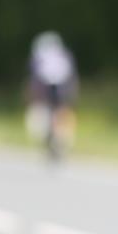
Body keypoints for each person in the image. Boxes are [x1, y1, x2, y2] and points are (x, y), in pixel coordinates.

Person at [25, 31, 79, 159]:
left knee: (47, 116)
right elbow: (72, 78)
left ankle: (56, 140)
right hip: (61, 92)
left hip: (47, 93)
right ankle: (59, 140)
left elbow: (33, 80)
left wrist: (32, 96)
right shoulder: (65, 56)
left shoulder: (39, 58)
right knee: (60, 114)